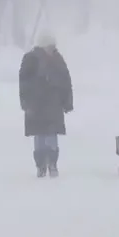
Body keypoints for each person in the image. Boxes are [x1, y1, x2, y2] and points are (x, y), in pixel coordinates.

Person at [19, 31, 73, 178]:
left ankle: (53, 163)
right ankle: (41, 165)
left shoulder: (58, 60)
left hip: (53, 105)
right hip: (36, 104)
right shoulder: (31, 59)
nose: (52, 49)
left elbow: (66, 82)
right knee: (40, 137)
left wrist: (67, 102)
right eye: (50, 46)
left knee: (52, 136)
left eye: (53, 46)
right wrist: (26, 102)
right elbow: (24, 83)